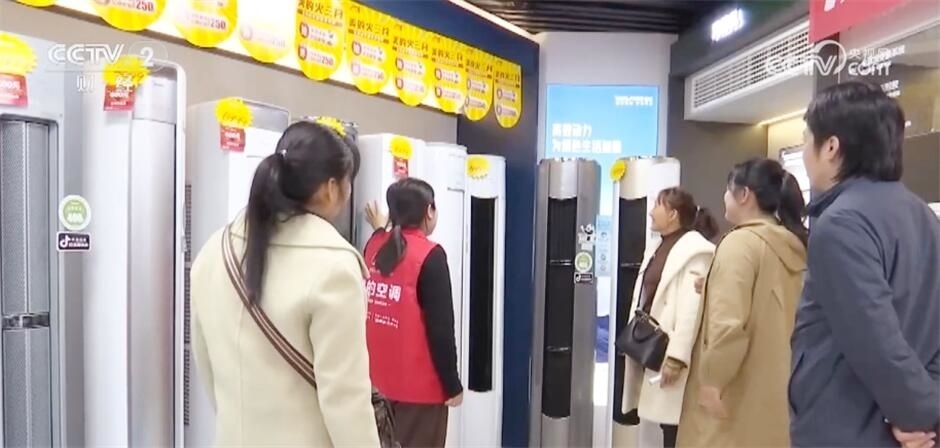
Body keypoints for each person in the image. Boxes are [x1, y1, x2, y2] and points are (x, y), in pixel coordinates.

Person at [189, 120, 380, 447]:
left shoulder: (213, 250)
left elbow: (207, 365)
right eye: (348, 183)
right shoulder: (334, 267)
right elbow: (346, 403)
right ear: (330, 188)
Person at [789, 81, 940, 448]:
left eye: (806, 140)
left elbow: (874, 339)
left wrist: (917, 416)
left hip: (848, 426)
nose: (805, 152)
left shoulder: (840, 223)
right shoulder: (922, 215)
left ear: (831, 147)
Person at [677, 158, 808, 448]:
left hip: (735, 391)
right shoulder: (792, 245)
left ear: (745, 194)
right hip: (777, 388)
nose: (725, 196)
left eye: (728, 189)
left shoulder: (740, 244)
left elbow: (729, 326)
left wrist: (713, 380)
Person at [362, 178, 463, 448]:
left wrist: (380, 227)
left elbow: (388, 242)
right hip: (420, 395)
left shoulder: (373, 247)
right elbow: (441, 330)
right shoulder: (431, 255)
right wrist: (452, 386)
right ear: (429, 211)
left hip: (375, 386)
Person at [619, 187, 718, 448]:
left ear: (673, 214)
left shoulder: (695, 251)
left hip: (671, 350)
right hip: (651, 346)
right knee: (665, 423)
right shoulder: (659, 247)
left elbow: (691, 310)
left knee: (676, 425)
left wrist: (677, 357)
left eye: (657, 206)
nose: (651, 212)